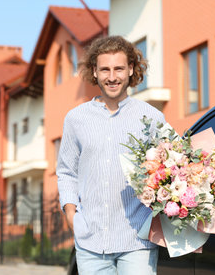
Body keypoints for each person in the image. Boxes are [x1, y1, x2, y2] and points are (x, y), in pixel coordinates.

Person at [57, 35, 165, 274]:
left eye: (119, 68)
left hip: (138, 241)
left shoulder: (152, 118)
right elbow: (66, 171)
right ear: (94, 72)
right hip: (90, 242)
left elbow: (171, 169)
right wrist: (71, 214)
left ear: (131, 70)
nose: (112, 76)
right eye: (105, 69)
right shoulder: (76, 119)